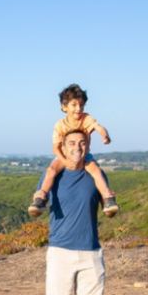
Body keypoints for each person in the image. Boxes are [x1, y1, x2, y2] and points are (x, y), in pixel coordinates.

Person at [35, 129, 115, 295]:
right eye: (72, 143)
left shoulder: (95, 173)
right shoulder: (54, 175)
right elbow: (38, 204)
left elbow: (108, 205)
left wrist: (110, 205)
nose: (77, 147)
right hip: (60, 250)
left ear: (88, 144)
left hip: (90, 249)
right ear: (63, 146)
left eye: (82, 142)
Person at [28, 84, 119, 217]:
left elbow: (99, 127)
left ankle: (107, 198)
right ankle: (40, 199)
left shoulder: (86, 118)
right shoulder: (60, 125)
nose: (79, 109)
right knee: (51, 171)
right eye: (74, 105)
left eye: (81, 105)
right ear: (64, 107)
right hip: (64, 155)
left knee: (95, 170)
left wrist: (105, 135)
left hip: (84, 155)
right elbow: (56, 147)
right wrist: (65, 162)